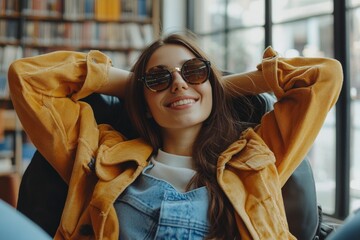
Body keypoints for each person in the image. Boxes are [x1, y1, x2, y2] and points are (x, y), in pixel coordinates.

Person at [8, 33, 342, 239]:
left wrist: (218, 86)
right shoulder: (101, 154)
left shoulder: (257, 155)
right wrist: (132, 86)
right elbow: (28, 78)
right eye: (158, 79)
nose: (179, 83)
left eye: (194, 70)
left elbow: (322, 76)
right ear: (145, 103)